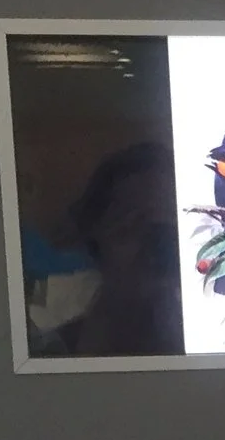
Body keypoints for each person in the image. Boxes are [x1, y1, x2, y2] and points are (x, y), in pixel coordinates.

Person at [26, 140, 184, 358]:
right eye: (132, 222)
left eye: (171, 224)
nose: (157, 243)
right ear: (94, 234)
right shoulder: (48, 359)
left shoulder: (217, 351)